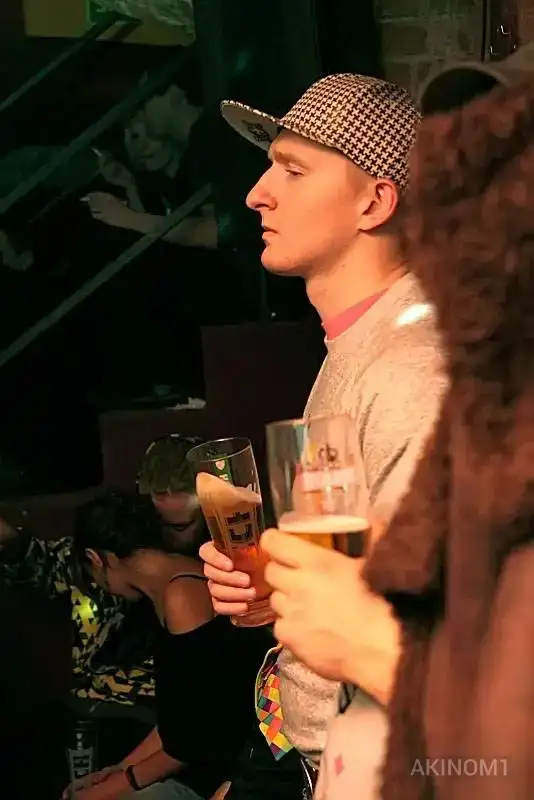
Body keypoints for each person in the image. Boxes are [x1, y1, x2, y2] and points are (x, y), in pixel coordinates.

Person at [200, 73, 447, 799]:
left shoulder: (414, 374)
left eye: (293, 170)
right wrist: (274, 590)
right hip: (299, 742)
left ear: (375, 202)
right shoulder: (356, 345)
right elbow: (359, 570)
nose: (258, 193)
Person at [65, 479, 270, 800]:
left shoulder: (182, 595)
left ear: (95, 559)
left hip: (234, 770)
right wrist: (118, 770)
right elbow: (177, 722)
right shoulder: (169, 588)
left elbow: (194, 740)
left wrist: (112, 788)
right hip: (209, 763)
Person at [0, 492, 156, 712]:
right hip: (95, 702)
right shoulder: (82, 565)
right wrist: (10, 540)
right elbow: (36, 561)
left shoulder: (174, 583)